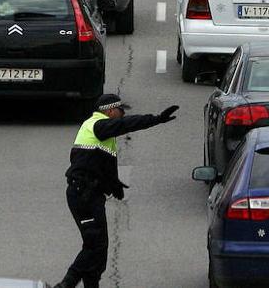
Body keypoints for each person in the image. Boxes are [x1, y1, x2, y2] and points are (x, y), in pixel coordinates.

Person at [54, 94, 179, 288]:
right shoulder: (99, 125)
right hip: (84, 195)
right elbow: (127, 124)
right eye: (121, 111)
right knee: (94, 245)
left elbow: (95, 163)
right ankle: (66, 284)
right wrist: (156, 119)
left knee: (99, 248)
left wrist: (114, 184)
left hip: (88, 193)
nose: (122, 115)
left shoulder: (99, 131)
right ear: (110, 110)